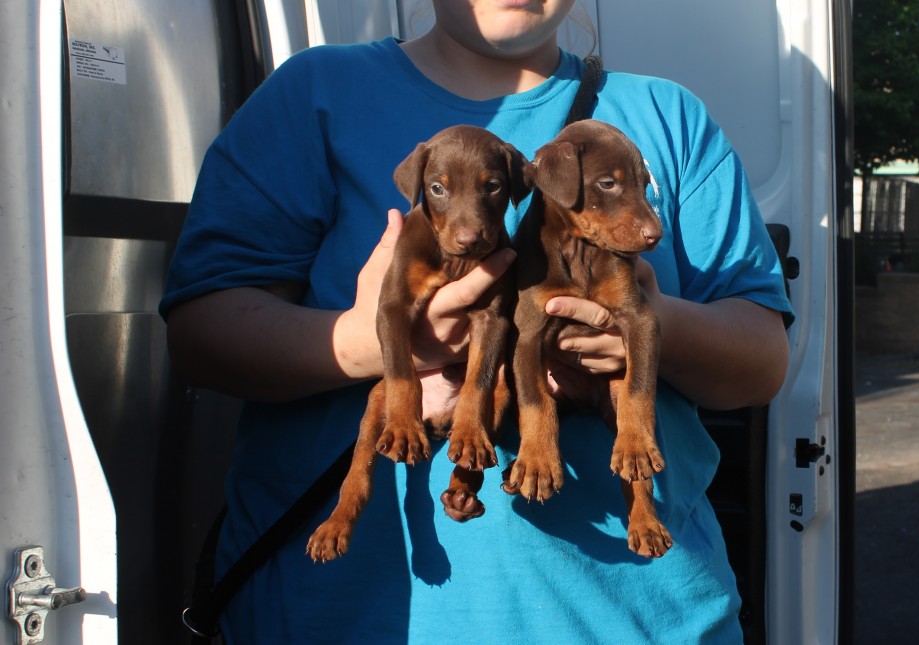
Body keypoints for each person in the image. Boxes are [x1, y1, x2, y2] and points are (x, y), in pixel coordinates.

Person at [161, 1, 791, 642]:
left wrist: (648, 323)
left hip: (633, 619)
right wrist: (375, 342)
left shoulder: (666, 116)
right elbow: (201, 336)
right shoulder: (314, 95)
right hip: (344, 617)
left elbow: (763, 358)